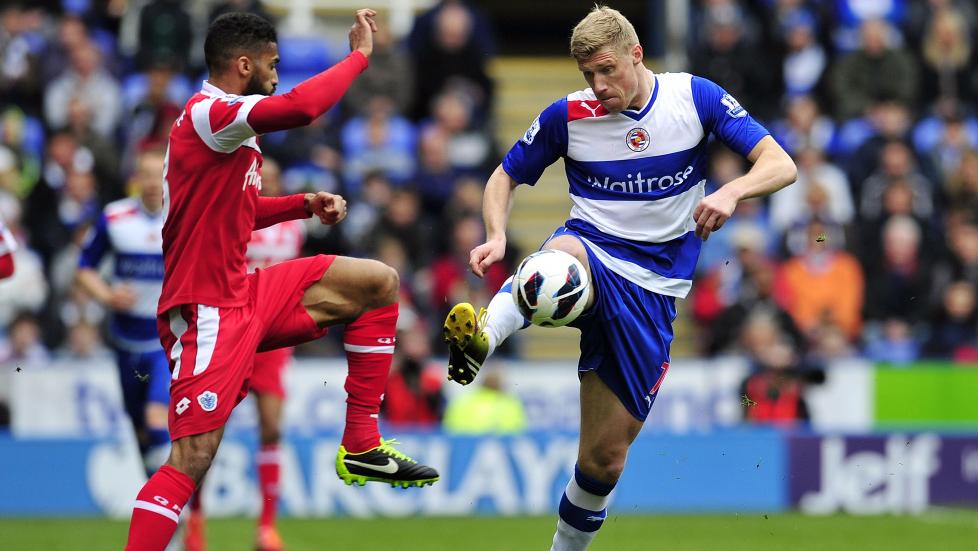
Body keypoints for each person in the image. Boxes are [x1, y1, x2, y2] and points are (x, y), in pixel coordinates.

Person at [442, 6, 795, 550]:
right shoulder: (569, 115)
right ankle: (486, 334)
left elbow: (780, 163)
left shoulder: (694, 97)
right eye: (588, 75)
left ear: (637, 53)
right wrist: (494, 234)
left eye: (606, 70)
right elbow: (503, 176)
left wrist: (730, 192)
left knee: (603, 461)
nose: (598, 86)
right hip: (592, 248)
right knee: (551, 271)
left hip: (654, 289)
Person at [123, 11, 438, 551]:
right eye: (271, 64)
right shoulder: (212, 113)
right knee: (192, 458)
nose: (278, 74)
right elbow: (304, 108)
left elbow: (236, 213)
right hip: (206, 311)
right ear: (242, 65)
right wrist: (359, 56)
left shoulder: (221, 126)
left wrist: (301, 206)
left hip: (245, 291)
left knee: (377, 284)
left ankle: (361, 442)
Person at [76, 149, 171, 479]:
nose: (151, 181)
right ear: (135, 179)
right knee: (141, 429)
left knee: (158, 418)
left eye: (158, 173)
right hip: (126, 340)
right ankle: (161, 506)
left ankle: (177, 505)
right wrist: (107, 295)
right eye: (144, 173)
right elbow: (84, 267)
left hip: (167, 341)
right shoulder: (115, 218)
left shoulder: (182, 217)